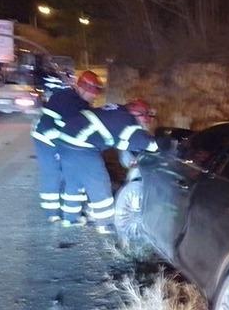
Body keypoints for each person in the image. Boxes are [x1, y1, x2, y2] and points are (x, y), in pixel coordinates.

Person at [56, 99, 159, 234]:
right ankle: (105, 223)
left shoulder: (117, 111)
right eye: (146, 117)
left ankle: (70, 219)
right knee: (99, 181)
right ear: (138, 115)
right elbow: (146, 144)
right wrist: (162, 147)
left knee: (74, 182)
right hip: (81, 146)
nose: (147, 121)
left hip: (64, 140)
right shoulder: (128, 122)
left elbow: (121, 141)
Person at [31, 70, 103, 223]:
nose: (94, 96)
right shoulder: (69, 101)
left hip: (58, 135)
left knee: (67, 173)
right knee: (53, 174)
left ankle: (67, 210)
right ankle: (52, 213)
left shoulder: (78, 101)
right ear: (82, 88)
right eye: (92, 93)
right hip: (46, 137)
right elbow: (71, 130)